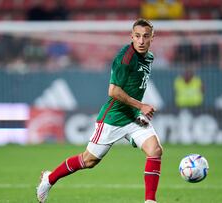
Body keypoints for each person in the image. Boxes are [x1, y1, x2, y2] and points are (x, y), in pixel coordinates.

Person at [36, 19, 163, 203]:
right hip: (113, 117)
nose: (141, 41)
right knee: (89, 161)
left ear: (153, 37)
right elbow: (113, 91)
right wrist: (141, 106)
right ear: (131, 37)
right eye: (137, 36)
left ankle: (150, 201)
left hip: (133, 117)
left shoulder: (149, 57)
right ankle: (49, 179)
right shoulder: (125, 58)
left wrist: (137, 112)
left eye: (145, 36)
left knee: (155, 150)